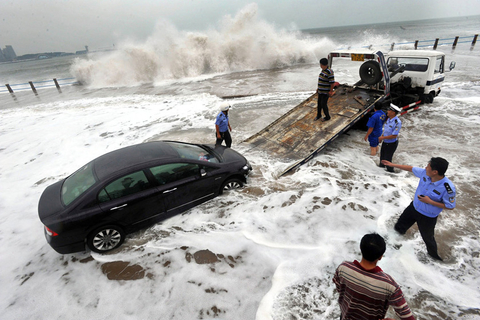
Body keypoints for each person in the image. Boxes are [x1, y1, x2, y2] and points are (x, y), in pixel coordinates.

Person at [381, 157, 456, 261]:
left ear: (435, 172)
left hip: (428, 216)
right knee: (399, 226)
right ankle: (390, 246)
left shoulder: (448, 188)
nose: (425, 168)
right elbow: (411, 168)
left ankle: (435, 260)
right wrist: (392, 165)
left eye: (428, 166)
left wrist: (430, 201)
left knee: (428, 239)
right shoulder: (425, 173)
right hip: (414, 208)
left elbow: (450, 206)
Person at [333, 233, 416, 320]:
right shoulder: (389, 285)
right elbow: (408, 318)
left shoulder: (343, 268)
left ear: (361, 249)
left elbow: (340, 288)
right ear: (380, 257)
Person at [379, 104, 402, 172]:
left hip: (391, 144)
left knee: (388, 160)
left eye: (389, 110)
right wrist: (382, 137)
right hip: (385, 142)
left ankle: (391, 174)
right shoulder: (389, 119)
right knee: (382, 159)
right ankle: (379, 174)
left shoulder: (397, 122)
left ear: (393, 112)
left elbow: (394, 135)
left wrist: (382, 138)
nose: (387, 111)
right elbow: (386, 131)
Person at [314, 58, 335, 122]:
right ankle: (319, 115)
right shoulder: (323, 70)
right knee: (319, 104)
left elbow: (332, 83)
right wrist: (318, 88)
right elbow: (321, 80)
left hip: (325, 92)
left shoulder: (329, 71)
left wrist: (331, 91)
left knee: (323, 104)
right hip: (321, 91)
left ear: (321, 64)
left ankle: (327, 117)